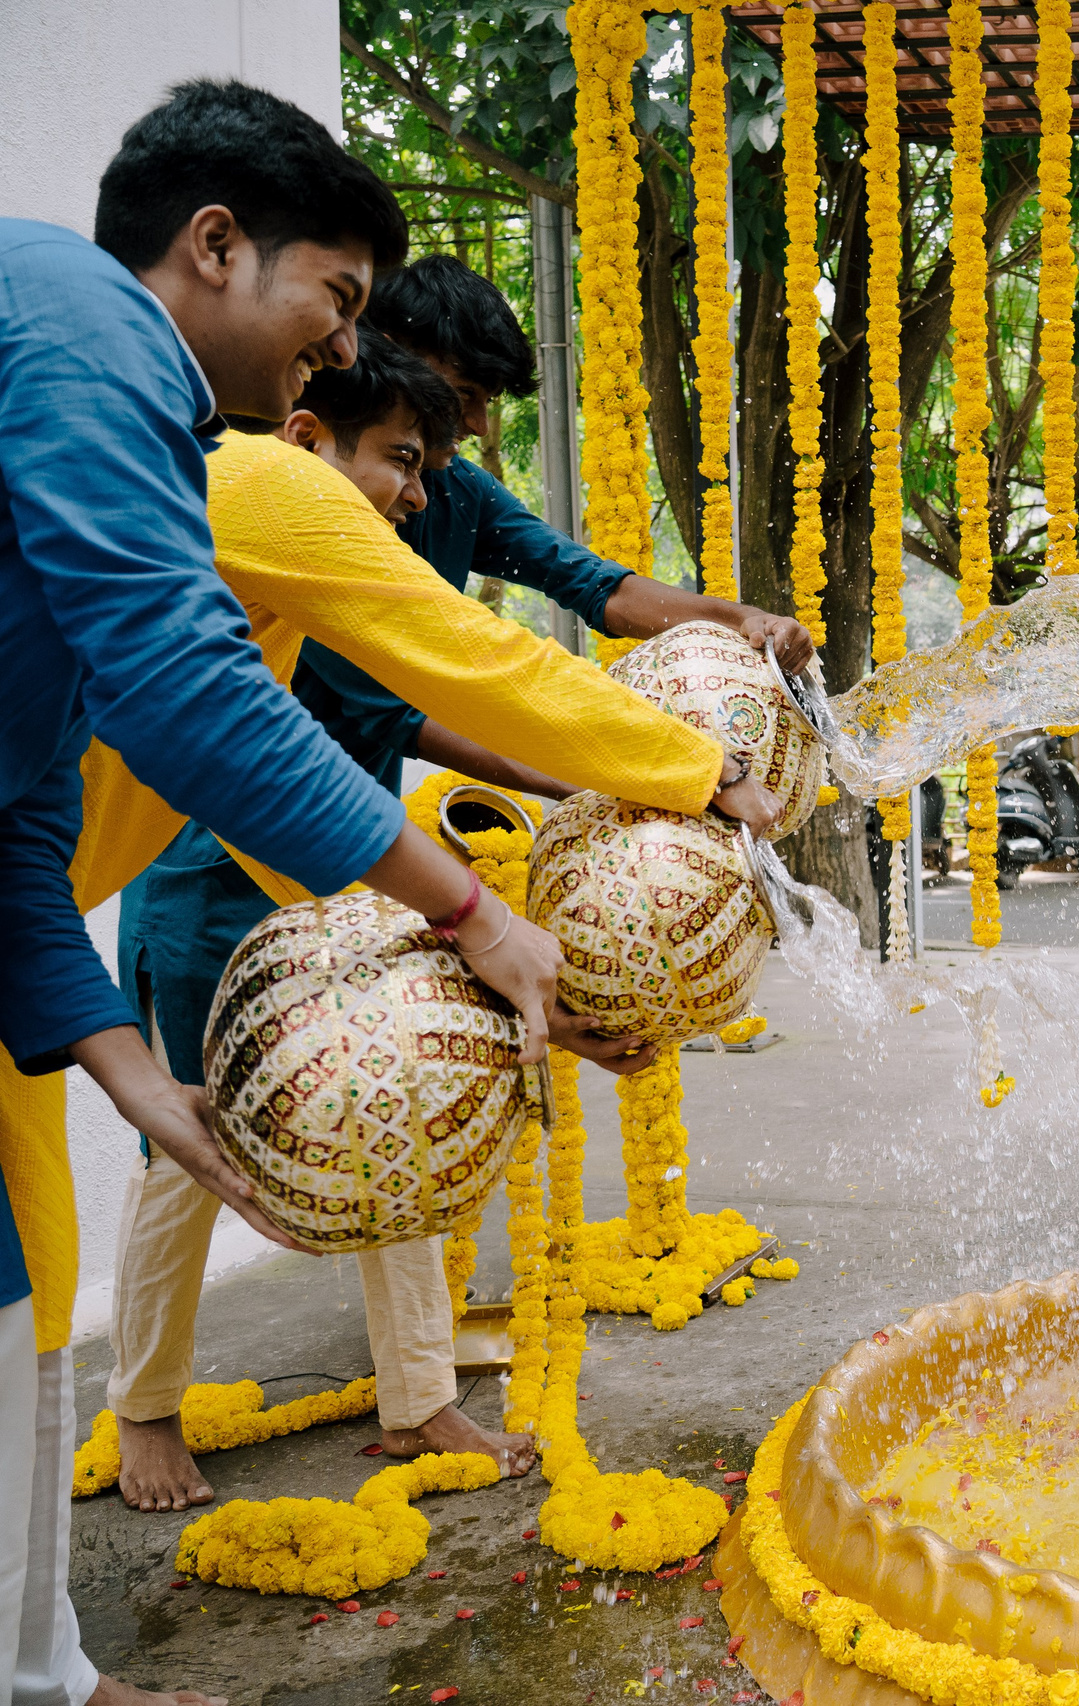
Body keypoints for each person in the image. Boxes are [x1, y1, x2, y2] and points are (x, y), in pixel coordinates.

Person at [0, 79, 560, 1706]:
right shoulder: (84, 326)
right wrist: (467, 913)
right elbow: (194, 688)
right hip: (212, 919)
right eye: (338, 300)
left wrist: (126, 1075)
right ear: (218, 244)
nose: (336, 343)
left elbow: (12, 836)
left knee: (29, 1283)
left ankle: (44, 1675)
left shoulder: (147, 433)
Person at [92, 328, 781, 1513]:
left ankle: (415, 1396)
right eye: (411, 449)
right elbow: (471, 672)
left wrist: (521, 974)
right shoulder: (273, 499)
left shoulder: (403, 501)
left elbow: (576, 591)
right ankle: (144, 1404)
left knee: (400, 1097)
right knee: (190, 1145)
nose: (428, 487)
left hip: (347, 852)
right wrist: (678, 770)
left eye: (446, 449)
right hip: (219, 869)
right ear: (312, 421)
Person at [294, 253, 813, 800]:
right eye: (465, 392)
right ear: (381, 346)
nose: (474, 423)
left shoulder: (454, 489)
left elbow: (593, 584)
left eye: (486, 403)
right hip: (238, 851)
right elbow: (432, 700)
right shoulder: (306, 510)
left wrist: (743, 621)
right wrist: (640, 780)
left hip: (346, 835)